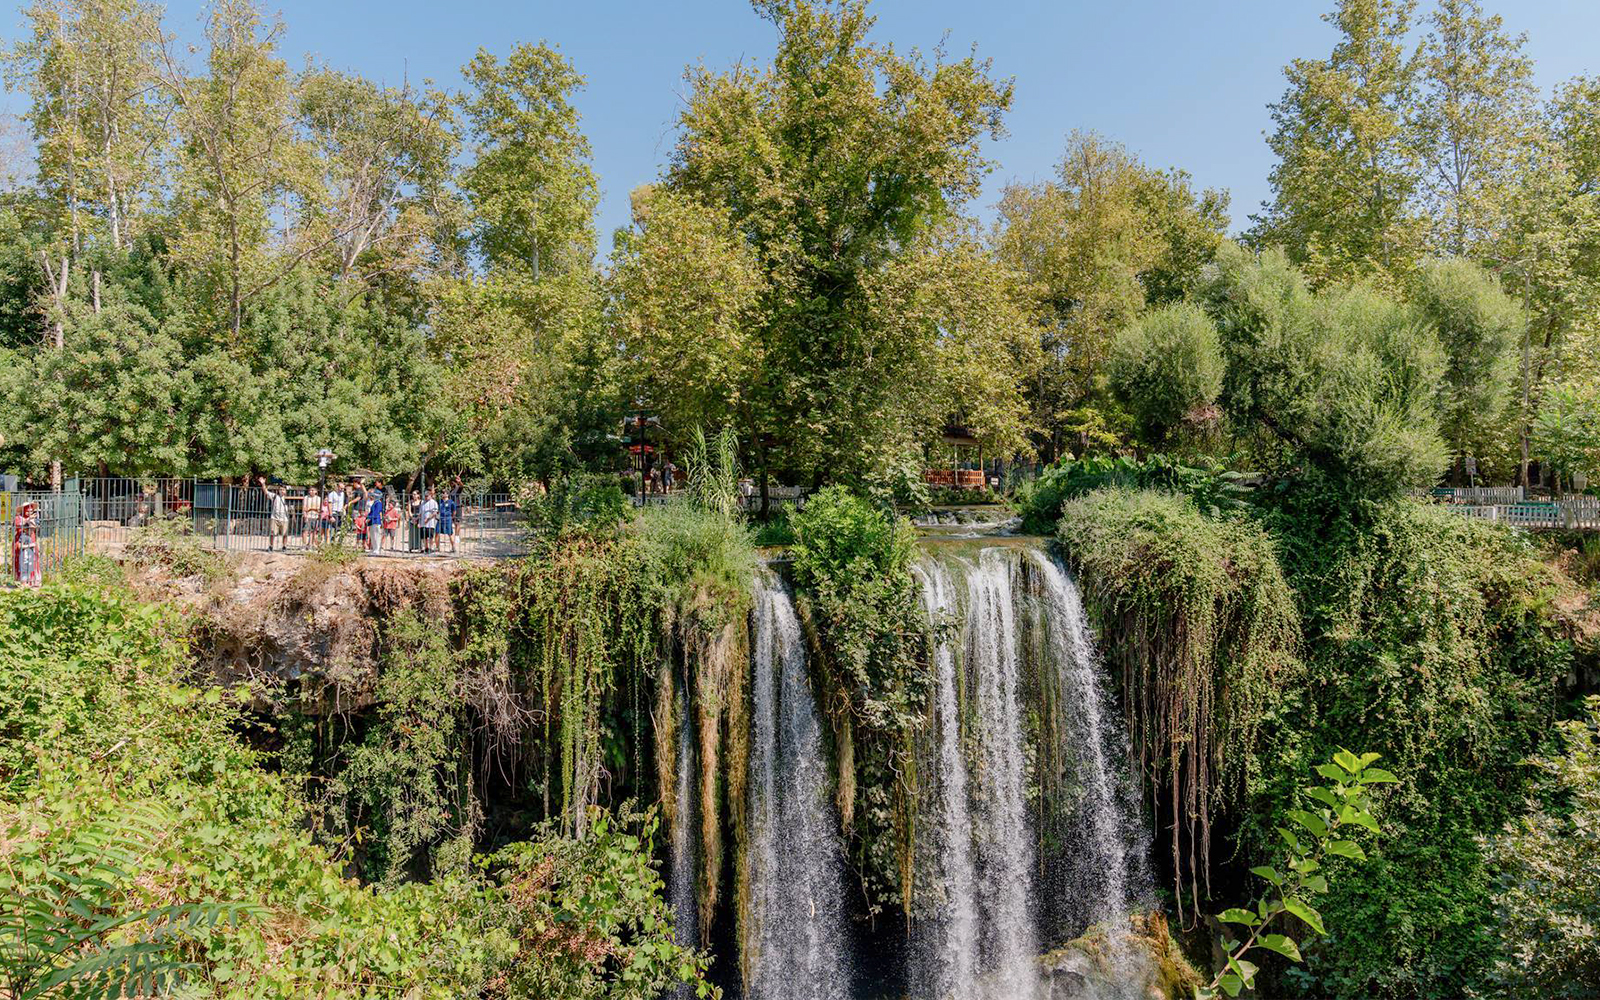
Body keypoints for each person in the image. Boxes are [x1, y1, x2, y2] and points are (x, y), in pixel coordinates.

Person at [12, 500, 41, 587]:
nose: (29, 512)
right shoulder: (18, 518)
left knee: (33, 558)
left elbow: (36, 528)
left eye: (31, 510)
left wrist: (32, 521)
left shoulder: (33, 518)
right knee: (22, 560)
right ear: (24, 510)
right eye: (28, 510)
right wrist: (27, 520)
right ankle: (22, 581)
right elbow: (16, 526)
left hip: (31, 538)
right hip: (20, 539)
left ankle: (33, 580)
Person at [260, 477, 289, 551]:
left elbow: (291, 509)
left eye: (283, 490)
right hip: (275, 518)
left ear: (285, 491)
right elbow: (265, 491)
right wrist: (263, 483)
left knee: (285, 534)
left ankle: (284, 546)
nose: (281, 491)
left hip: (284, 518)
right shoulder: (275, 496)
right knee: (272, 533)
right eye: (280, 489)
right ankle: (271, 546)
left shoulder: (288, 498)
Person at [439, 485, 459, 554]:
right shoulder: (440, 501)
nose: (442, 494)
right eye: (442, 492)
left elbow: (454, 511)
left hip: (448, 519)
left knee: (450, 533)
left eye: (444, 493)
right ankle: (437, 548)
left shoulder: (451, 502)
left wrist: (451, 517)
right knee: (437, 532)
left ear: (447, 494)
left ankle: (453, 547)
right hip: (440, 519)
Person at [366, 483, 385, 553]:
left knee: (377, 535)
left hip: (376, 521)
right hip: (372, 521)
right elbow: (371, 512)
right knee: (373, 535)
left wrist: (370, 518)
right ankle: (374, 549)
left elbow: (376, 512)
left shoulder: (378, 503)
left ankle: (377, 549)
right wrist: (368, 517)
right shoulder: (375, 502)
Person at [419, 488, 439, 554]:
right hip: (423, 522)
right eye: (425, 496)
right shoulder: (422, 502)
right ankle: (425, 547)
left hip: (430, 523)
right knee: (423, 536)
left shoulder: (434, 502)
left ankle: (430, 548)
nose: (426, 497)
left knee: (430, 536)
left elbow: (435, 512)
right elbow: (420, 512)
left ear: (430, 495)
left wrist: (427, 518)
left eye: (427, 496)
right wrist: (418, 520)